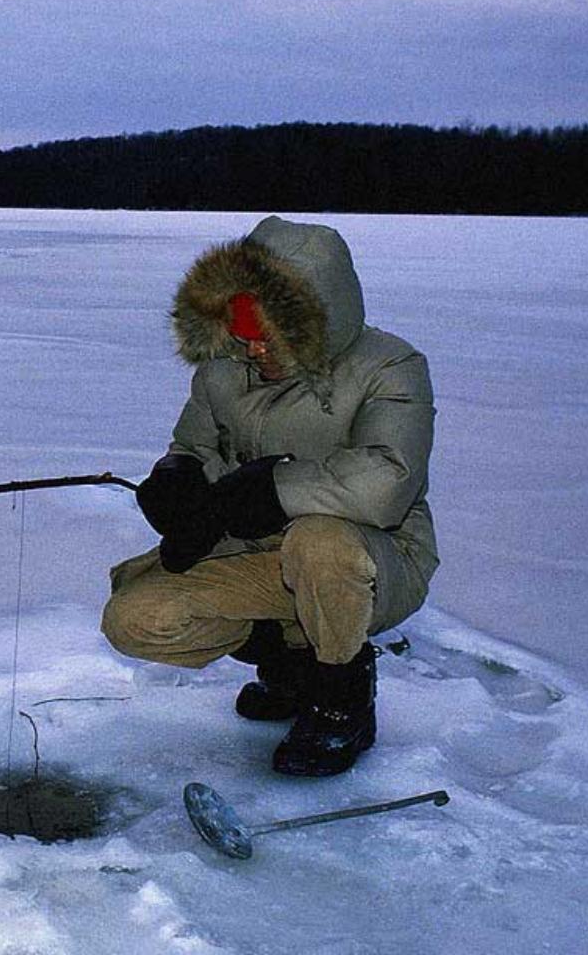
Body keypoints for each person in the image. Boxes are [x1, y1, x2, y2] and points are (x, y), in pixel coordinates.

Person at [101, 216, 437, 776]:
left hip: (375, 560)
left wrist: (270, 488)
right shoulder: (223, 369)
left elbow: (386, 481)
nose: (252, 349)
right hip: (258, 554)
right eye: (243, 333)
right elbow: (193, 444)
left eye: (266, 335)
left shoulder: (391, 368)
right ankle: (289, 660)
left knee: (320, 543)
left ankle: (341, 699)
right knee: (134, 618)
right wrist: (177, 479)